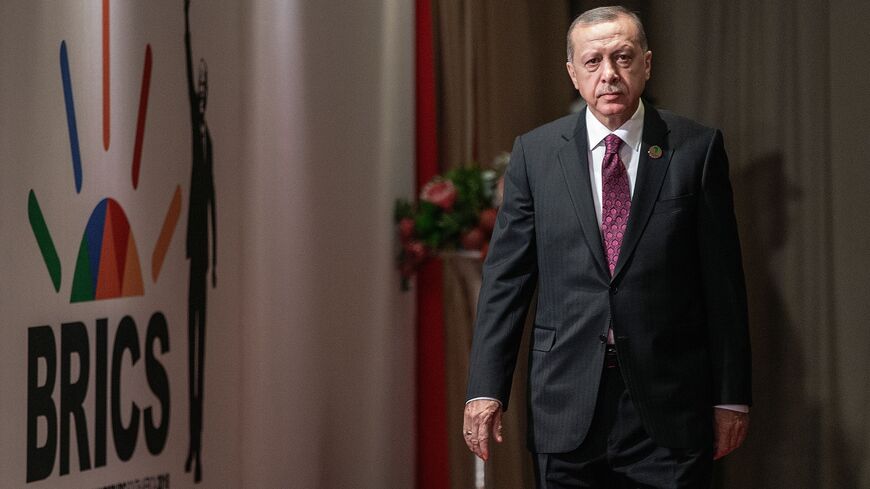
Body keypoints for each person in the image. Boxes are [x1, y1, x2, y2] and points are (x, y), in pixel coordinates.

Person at [463, 6, 751, 488]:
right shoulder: (535, 154)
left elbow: (722, 284)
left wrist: (731, 397)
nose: (609, 74)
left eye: (622, 57)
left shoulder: (695, 149)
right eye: (593, 61)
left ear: (647, 63)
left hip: (668, 406)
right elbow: (505, 283)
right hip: (566, 404)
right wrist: (485, 390)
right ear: (573, 73)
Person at [184, 0, 217, 483]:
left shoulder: (207, 134)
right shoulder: (196, 126)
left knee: (201, 350)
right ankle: (191, 444)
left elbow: (211, 200)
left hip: (203, 259)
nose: (203, 92)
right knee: (190, 346)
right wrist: (187, 21)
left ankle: (195, 443)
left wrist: (215, 263)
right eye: (200, 86)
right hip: (191, 255)